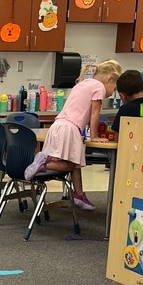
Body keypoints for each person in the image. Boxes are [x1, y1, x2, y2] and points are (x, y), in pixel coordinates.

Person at [39, 59, 122, 211]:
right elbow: (95, 113)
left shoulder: (83, 83)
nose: (112, 93)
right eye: (114, 88)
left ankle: (79, 194)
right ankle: (43, 163)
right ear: (110, 78)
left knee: (75, 163)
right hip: (69, 128)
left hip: (58, 125)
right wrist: (94, 136)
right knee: (72, 164)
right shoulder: (99, 86)